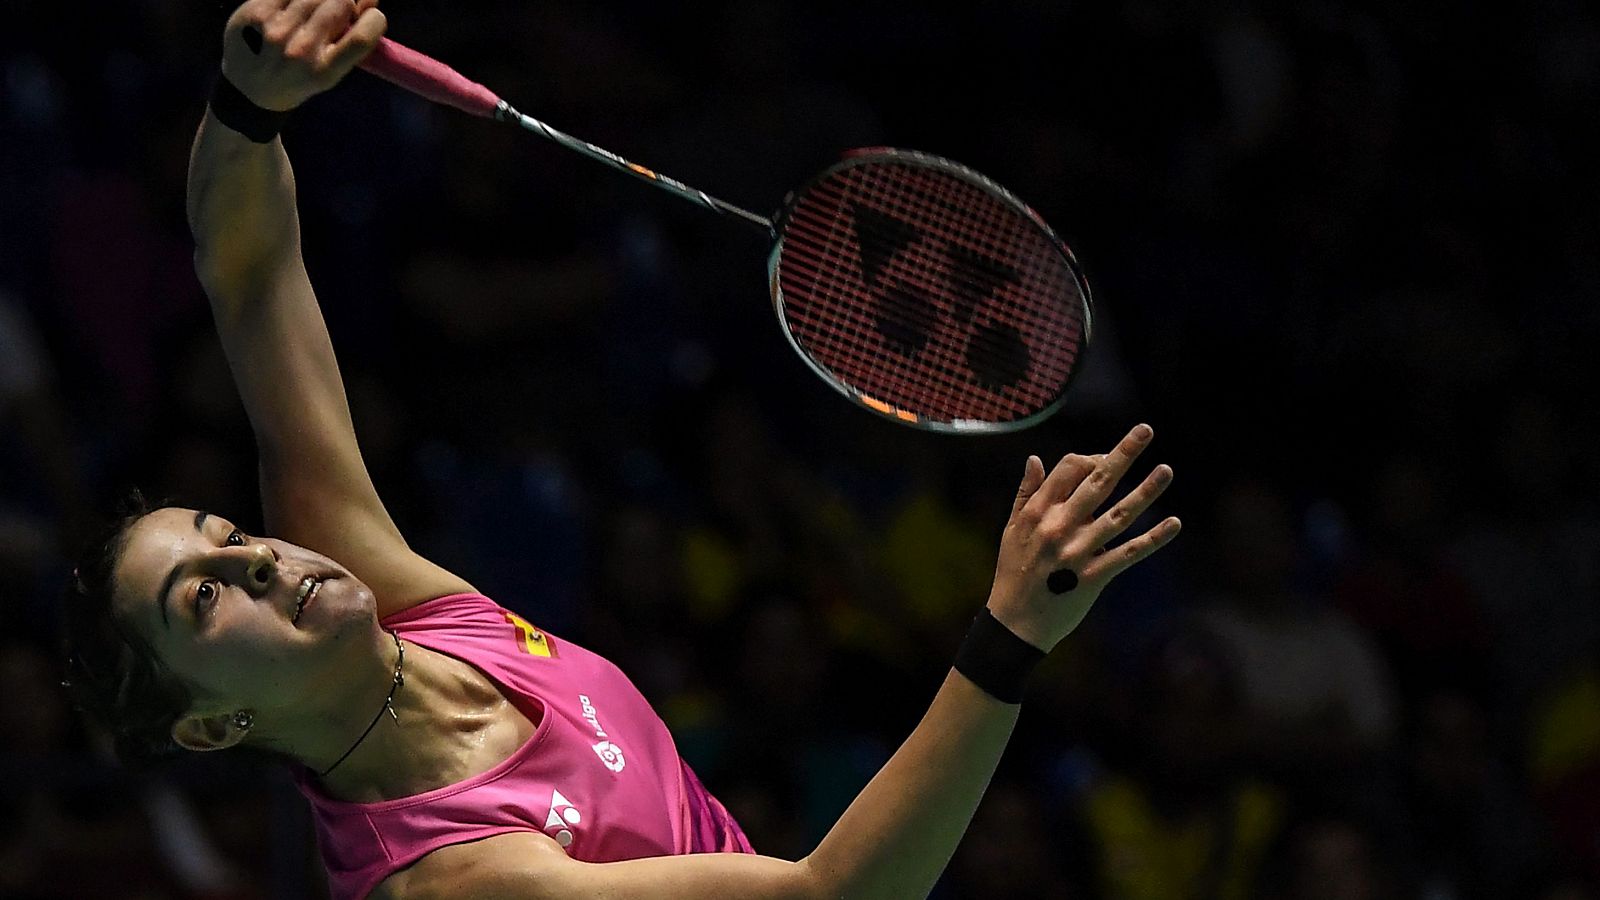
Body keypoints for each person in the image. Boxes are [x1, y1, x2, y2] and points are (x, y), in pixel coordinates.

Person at [59, 0, 1182, 897]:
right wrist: (1010, 636)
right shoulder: (454, 872)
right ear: (212, 725)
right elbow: (834, 893)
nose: (253, 558)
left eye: (224, 535)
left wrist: (246, 108)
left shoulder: (408, 609)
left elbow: (252, 278)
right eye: (201, 601)